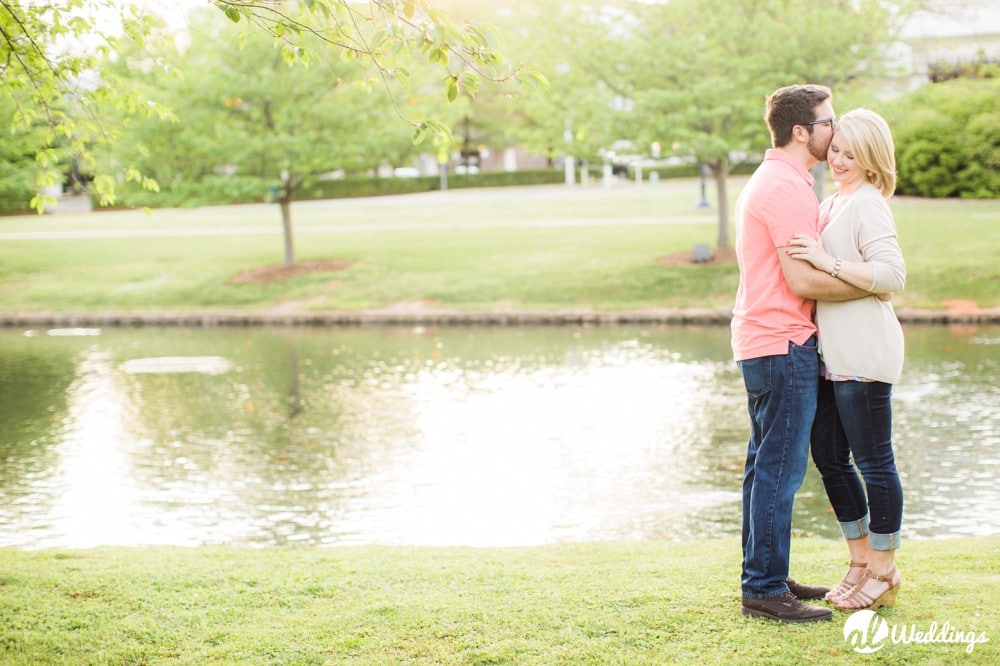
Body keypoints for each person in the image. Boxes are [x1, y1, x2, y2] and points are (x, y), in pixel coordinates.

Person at [732, 84, 878, 623]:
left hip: (764, 341)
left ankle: (769, 572)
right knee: (780, 470)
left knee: (762, 467)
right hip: (783, 342)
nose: (834, 131)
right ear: (802, 131)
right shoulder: (786, 188)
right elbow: (800, 277)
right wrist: (874, 285)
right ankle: (764, 588)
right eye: (827, 122)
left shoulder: (777, 179)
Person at [786, 108, 906, 611]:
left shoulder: (869, 204)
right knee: (831, 458)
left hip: (864, 351)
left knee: (875, 462)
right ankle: (857, 560)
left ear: (873, 159)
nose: (838, 160)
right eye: (835, 150)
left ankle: (883, 567)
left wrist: (825, 261)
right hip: (831, 356)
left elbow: (892, 276)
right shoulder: (833, 201)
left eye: (851, 155)